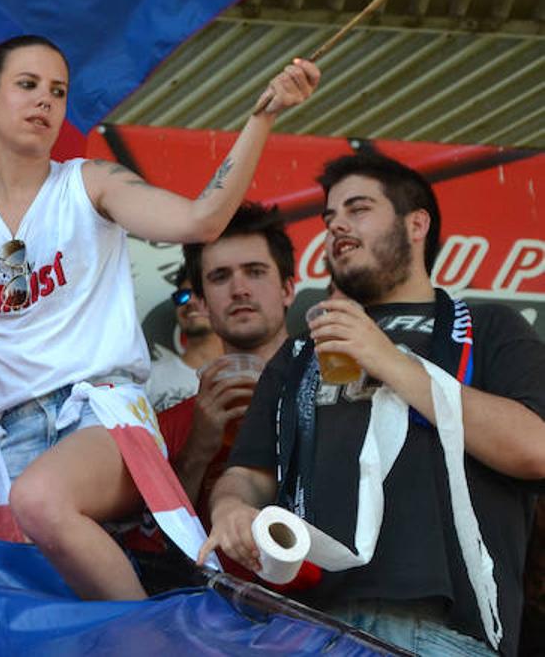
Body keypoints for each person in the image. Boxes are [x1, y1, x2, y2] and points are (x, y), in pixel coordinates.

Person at [0, 34, 317, 600]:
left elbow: (200, 221)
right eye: (27, 86)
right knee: (35, 612)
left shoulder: (90, 182)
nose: (45, 102)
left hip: (99, 413)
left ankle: (145, 641)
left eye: (58, 92)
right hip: (6, 437)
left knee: (41, 499)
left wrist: (262, 118)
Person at [202, 152, 545, 655]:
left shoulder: (488, 326)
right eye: (329, 217)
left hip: (440, 632)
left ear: (416, 224)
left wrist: (390, 360)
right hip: (306, 625)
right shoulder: (300, 351)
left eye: (358, 209)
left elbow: (534, 446)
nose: (337, 224)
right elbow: (251, 472)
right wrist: (229, 507)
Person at [160, 202, 297, 505]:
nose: (239, 289)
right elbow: (160, 545)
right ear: (203, 305)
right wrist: (195, 453)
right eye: (220, 277)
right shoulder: (173, 424)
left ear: (288, 290)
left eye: (255, 272)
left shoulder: (335, 392)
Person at [144, 264, 223, 413]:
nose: (189, 302)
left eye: (201, 293)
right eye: (182, 296)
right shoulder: (148, 378)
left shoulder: (246, 373)